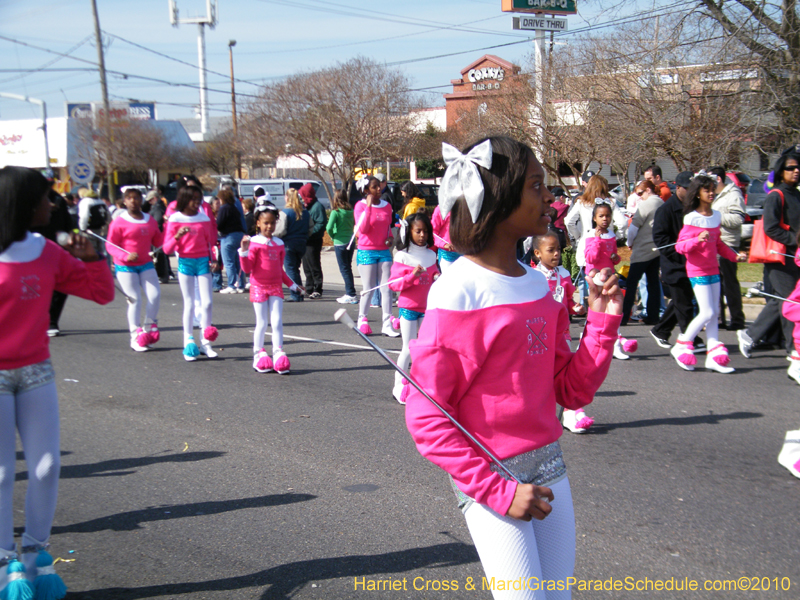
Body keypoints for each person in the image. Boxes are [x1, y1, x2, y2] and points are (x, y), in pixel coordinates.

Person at [405, 137, 622, 598]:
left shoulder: (538, 287)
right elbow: (427, 419)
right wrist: (498, 491)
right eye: (537, 186)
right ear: (499, 197)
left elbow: (571, 391)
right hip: (490, 476)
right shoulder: (458, 291)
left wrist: (602, 322)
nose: (550, 198)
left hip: (549, 465)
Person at [0, 166, 114, 596]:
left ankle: (35, 557)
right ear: (22, 203)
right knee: (1, 473)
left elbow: (100, 293)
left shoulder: (46, 250)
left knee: (47, 467)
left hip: (36, 373)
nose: (54, 204)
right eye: (46, 198)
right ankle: (4, 563)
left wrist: (92, 258)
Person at [672, 175, 746, 373]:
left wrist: (734, 256)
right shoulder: (691, 218)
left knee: (714, 315)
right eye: (707, 190)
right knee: (707, 312)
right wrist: (697, 239)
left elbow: (719, 243)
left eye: (713, 189)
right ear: (697, 194)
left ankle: (713, 354)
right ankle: (682, 343)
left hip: (714, 269)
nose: (711, 193)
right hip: (697, 270)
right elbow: (681, 247)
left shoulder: (716, 216)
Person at [738, 146, 800, 359]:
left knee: (782, 299)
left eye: (798, 167)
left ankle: (750, 335)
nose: (796, 171)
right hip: (779, 257)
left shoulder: (796, 195)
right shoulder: (777, 195)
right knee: (791, 301)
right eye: (791, 168)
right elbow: (770, 228)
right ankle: (793, 350)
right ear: (781, 171)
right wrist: (794, 241)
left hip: (794, 257)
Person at [530, 231, 590, 435]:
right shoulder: (532, 276)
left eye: (558, 250)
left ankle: (572, 411)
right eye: (551, 250)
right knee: (540, 375)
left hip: (562, 331)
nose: (557, 254)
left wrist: (576, 307)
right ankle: (538, 415)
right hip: (539, 335)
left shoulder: (563, 274)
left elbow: (571, 297)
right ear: (537, 253)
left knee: (566, 370)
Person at [239, 200, 304, 375]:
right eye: (266, 223)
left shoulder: (279, 243)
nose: (269, 226)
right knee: (261, 322)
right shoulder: (254, 242)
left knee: (276, 321)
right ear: (258, 223)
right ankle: (258, 352)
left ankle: (277, 351)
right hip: (259, 287)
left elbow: (280, 270)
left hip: (275, 287)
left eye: (272, 223)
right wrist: (244, 251)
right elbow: (247, 269)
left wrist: (293, 285)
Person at [650, 171, 706, 352]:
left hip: (695, 264)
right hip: (675, 265)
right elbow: (660, 240)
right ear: (678, 188)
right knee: (685, 305)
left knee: (682, 301)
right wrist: (680, 252)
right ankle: (690, 337)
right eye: (688, 189)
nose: (692, 193)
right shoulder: (665, 210)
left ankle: (661, 330)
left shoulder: (696, 209)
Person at [163, 186, 220, 361]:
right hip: (185, 263)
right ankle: (188, 341)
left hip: (203, 261)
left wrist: (216, 259)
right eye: (193, 199)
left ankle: (205, 342)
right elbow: (166, 249)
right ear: (184, 199)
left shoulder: (203, 218)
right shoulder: (175, 218)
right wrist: (177, 236)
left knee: (207, 302)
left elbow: (211, 242)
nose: (197, 202)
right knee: (189, 303)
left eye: (199, 198)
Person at [388, 212, 439, 404]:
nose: (422, 235)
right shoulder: (402, 256)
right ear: (409, 232)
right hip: (408, 307)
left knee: (424, 349)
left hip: (427, 308)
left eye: (425, 231)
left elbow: (435, 274)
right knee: (408, 348)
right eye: (418, 231)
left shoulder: (432, 254)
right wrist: (412, 276)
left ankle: (419, 384)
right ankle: (399, 385)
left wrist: (436, 277)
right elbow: (394, 284)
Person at [106, 188, 164, 352]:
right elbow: (110, 245)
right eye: (129, 198)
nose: (133, 201)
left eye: (137, 198)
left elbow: (159, 240)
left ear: (141, 200)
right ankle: (134, 336)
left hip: (146, 263)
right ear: (124, 201)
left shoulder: (149, 220)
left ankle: (147, 331)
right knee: (134, 300)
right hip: (125, 267)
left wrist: (172, 234)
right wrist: (124, 256)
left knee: (155, 295)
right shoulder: (119, 221)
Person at [584, 202, 638, 361]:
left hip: (608, 277)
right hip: (596, 279)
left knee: (613, 312)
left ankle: (615, 346)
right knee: (597, 313)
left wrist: (616, 258)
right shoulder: (590, 235)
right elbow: (591, 258)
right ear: (594, 218)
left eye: (607, 216)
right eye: (601, 216)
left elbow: (614, 257)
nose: (605, 219)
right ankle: (592, 342)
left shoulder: (612, 235)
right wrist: (597, 240)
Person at [565, 174, 621, 308]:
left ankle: (586, 306)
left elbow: (568, 221)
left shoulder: (582, 202)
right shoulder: (610, 203)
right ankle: (604, 306)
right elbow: (623, 223)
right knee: (606, 277)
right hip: (606, 244)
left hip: (587, 242)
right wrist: (615, 236)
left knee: (588, 276)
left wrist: (579, 236)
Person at [353, 176, 399, 337]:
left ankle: (387, 323)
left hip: (383, 250)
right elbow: (363, 229)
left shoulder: (387, 206)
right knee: (369, 288)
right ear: (366, 191)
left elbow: (387, 226)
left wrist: (390, 238)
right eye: (374, 187)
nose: (378, 189)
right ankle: (362, 319)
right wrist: (369, 207)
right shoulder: (360, 206)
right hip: (366, 251)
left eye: (379, 186)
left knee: (386, 288)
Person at [30, 173, 73, 338]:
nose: (48, 186)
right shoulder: (30, 198)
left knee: (61, 285)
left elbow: (68, 222)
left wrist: (71, 238)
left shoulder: (59, 199)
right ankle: (35, 318)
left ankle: (52, 320)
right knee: (34, 285)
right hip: (33, 247)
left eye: (50, 183)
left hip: (56, 247)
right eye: (45, 183)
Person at [708, 167, 746, 330]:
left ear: (718, 179)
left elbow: (738, 218)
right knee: (717, 283)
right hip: (714, 243)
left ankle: (737, 319)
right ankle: (720, 319)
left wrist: (716, 216)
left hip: (728, 243)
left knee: (730, 283)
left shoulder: (733, 194)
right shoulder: (713, 195)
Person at [621, 180, 663, 326]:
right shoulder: (661, 203)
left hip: (642, 250)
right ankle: (653, 315)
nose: (639, 197)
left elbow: (634, 227)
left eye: (640, 193)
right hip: (656, 249)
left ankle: (624, 315)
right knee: (653, 283)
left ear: (648, 190)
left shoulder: (646, 205)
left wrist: (629, 243)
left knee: (631, 283)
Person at [327, 189, 358, 304]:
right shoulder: (351, 210)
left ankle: (351, 293)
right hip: (350, 240)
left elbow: (329, 227)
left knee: (344, 268)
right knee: (348, 267)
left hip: (339, 241)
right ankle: (350, 292)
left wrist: (333, 236)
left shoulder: (336, 212)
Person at [299, 183, 327, 299]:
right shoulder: (307, 206)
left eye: (303, 195)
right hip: (306, 241)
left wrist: (310, 233)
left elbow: (321, 223)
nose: (301, 198)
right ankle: (309, 287)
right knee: (306, 266)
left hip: (313, 240)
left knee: (314, 264)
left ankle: (317, 288)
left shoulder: (317, 207)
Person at [281, 189, 310, 303]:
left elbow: (281, 230)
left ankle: (296, 293)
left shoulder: (285, 212)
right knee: (295, 268)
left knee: (290, 269)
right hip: (302, 242)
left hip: (289, 243)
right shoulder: (305, 212)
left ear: (287, 197)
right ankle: (299, 291)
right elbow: (310, 227)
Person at [216, 188, 246, 294]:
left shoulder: (224, 208)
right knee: (238, 262)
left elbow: (218, 224)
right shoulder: (234, 207)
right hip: (239, 235)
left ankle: (232, 285)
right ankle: (241, 285)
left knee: (229, 262)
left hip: (228, 237)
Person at [77, 187, 109, 258]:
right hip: (100, 228)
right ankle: (102, 265)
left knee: (90, 250)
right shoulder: (100, 201)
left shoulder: (85, 201)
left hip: (89, 230)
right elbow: (108, 214)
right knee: (100, 250)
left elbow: (84, 216)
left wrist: (82, 228)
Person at [147, 189, 170, 284]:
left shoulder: (157, 208)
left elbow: (158, 221)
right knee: (161, 255)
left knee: (159, 255)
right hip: (161, 234)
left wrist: (154, 232)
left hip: (159, 235)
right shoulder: (161, 207)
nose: (149, 203)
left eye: (150, 200)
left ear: (155, 198)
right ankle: (165, 274)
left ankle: (163, 275)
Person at [431, 204, 460, 271]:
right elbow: (432, 232)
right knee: (449, 280)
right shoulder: (441, 209)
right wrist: (444, 244)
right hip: (447, 255)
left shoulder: (468, 206)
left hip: (466, 253)